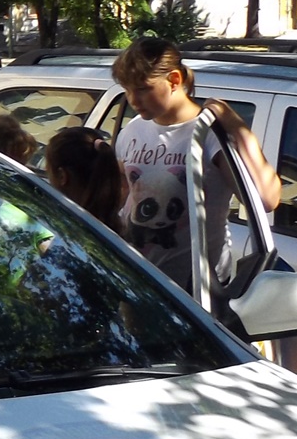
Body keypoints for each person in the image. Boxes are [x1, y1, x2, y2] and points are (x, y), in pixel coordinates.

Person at [111, 37, 280, 299]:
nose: (133, 99)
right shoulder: (133, 131)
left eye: (142, 89)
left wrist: (236, 126)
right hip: (140, 280)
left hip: (197, 293)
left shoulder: (208, 134)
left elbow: (266, 199)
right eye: (126, 89)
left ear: (174, 80)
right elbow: (122, 196)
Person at [45, 125, 126, 229]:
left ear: (62, 176)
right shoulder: (114, 227)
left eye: (48, 167)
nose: (45, 170)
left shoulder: (59, 226)